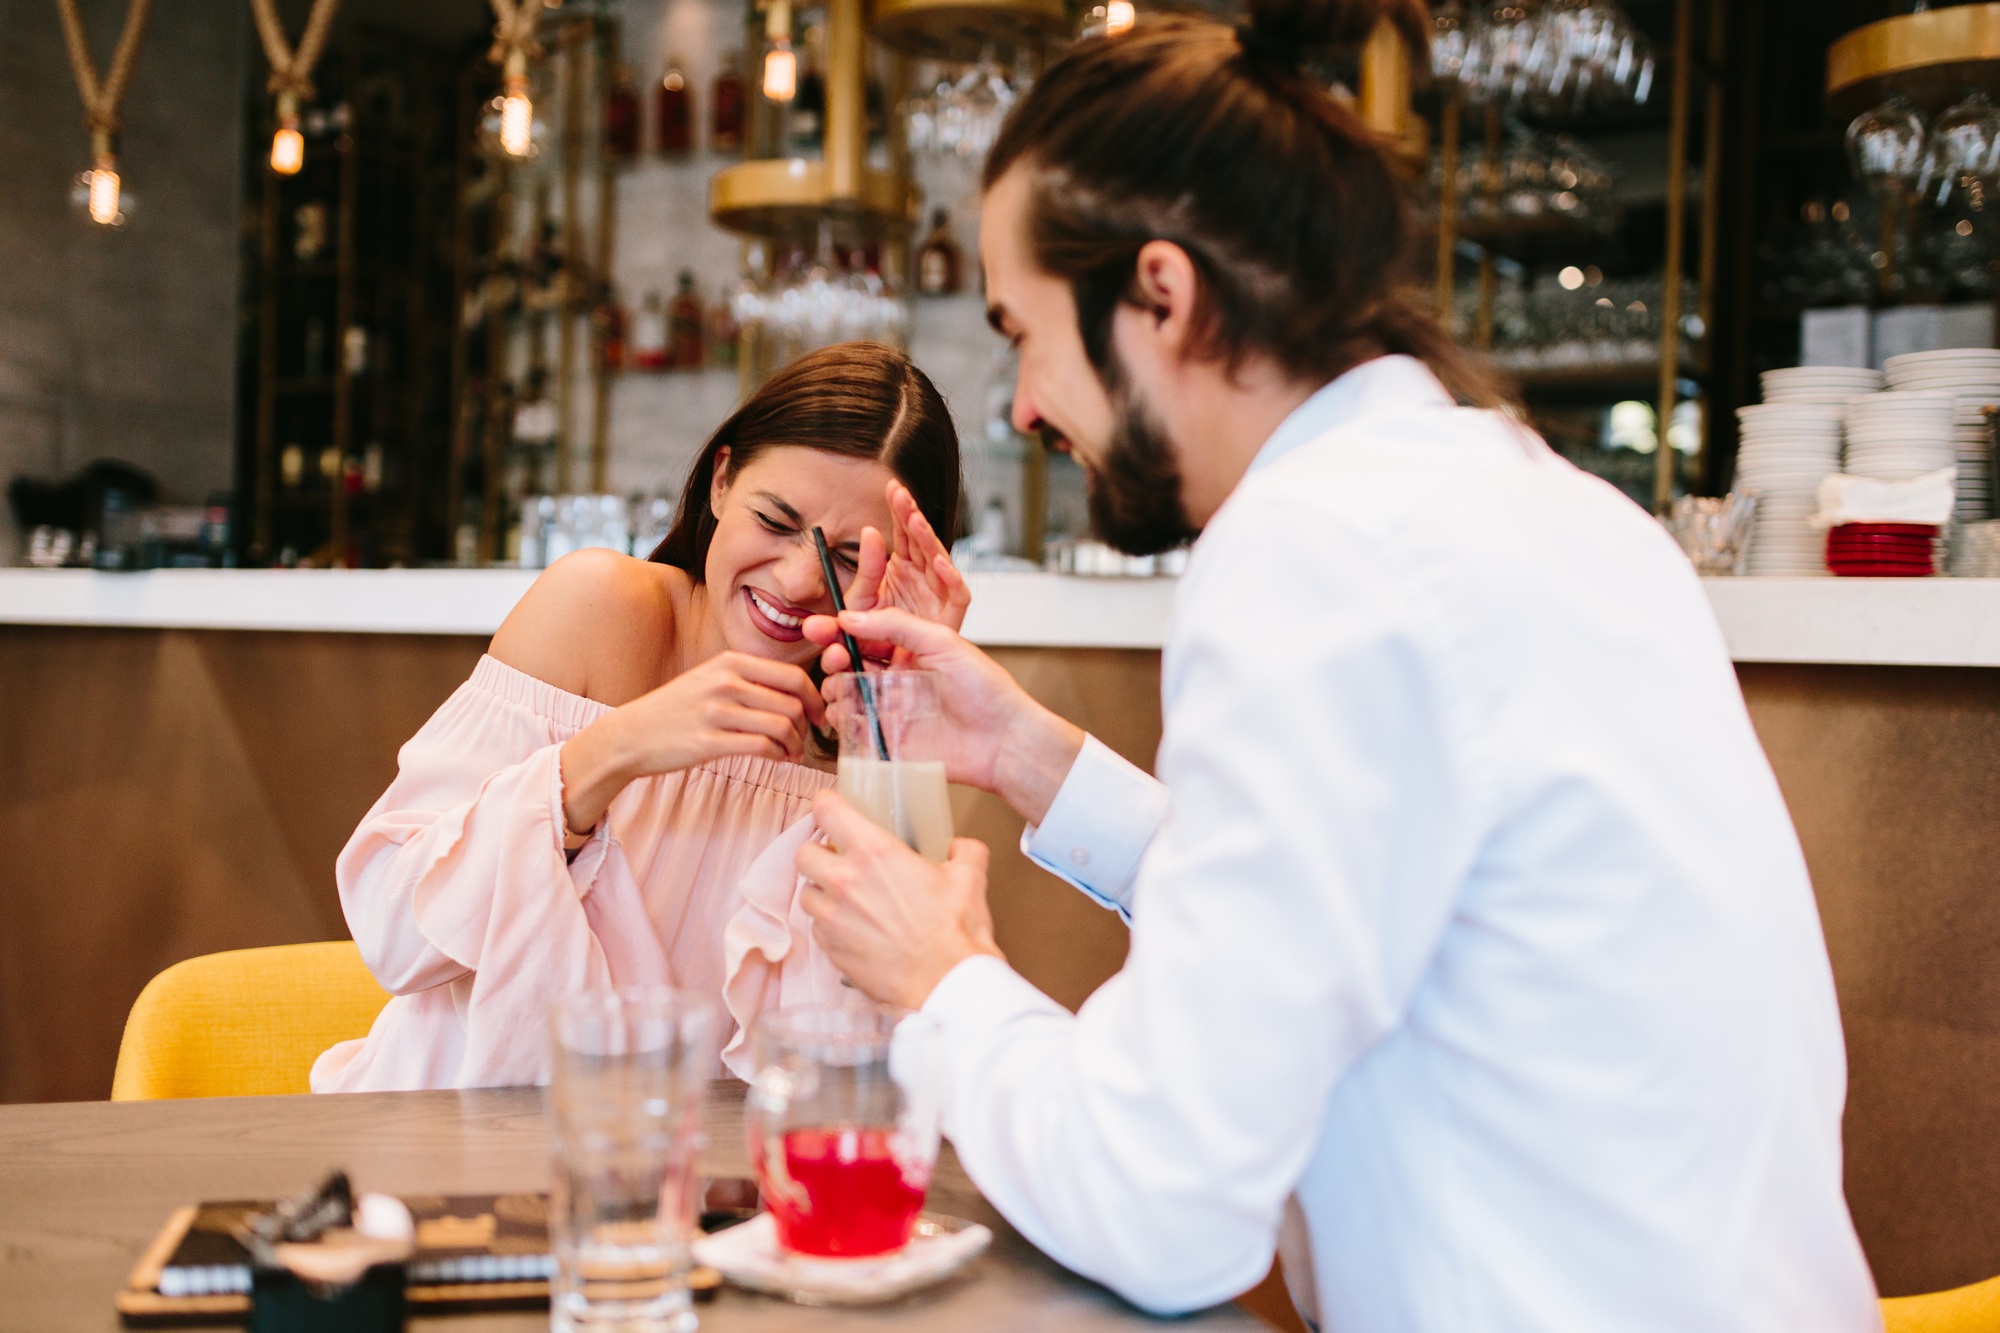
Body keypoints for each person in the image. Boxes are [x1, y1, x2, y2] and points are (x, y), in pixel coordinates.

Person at [790, 4, 1883, 1330]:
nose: (1021, 407)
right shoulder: (1541, 505)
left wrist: (941, 980)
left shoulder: (1313, 556)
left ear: (1160, 296)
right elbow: (1363, 907)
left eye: (1022, 331)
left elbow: (1162, 1203)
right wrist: (1022, 749)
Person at [312, 343, 967, 1092]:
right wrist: (617, 748)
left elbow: (875, 1053)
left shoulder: (867, 731)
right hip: (449, 1150)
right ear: (721, 481)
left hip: (689, 1190)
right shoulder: (598, 609)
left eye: (848, 557)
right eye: (777, 519)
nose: (796, 579)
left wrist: (898, 732)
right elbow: (394, 937)